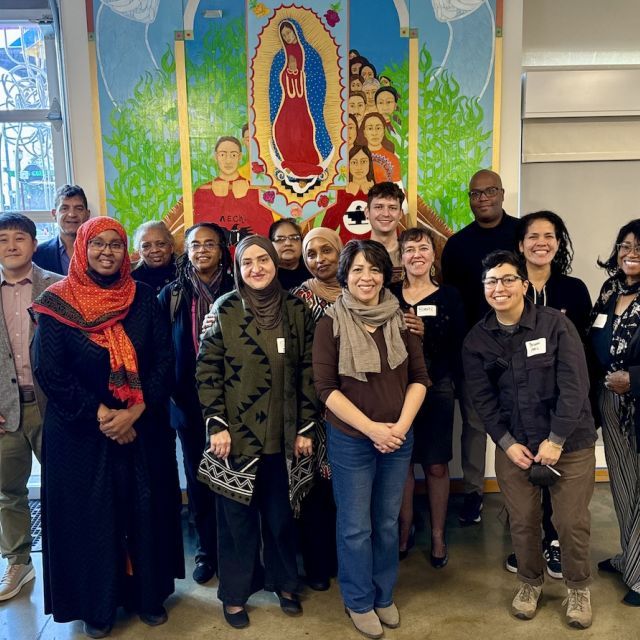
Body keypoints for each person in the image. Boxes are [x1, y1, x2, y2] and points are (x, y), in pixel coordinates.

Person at [32, 217, 184, 638]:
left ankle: (148, 596)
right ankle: (95, 606)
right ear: (81, 247)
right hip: (80, 432)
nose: (106, 251)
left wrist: (134, 412)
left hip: (141, 427)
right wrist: (102, 414)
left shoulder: (143, 297)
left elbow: (163, 361)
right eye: (97, 243)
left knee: (144, 510)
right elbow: (51, 371)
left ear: (125, 251)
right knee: (91, 519)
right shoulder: (56, 302)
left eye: (115, 243)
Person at [463, 250, 596, 629]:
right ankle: (529, 582)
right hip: (515, 445)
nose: (499, 287)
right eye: (491, 281)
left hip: (569, 442)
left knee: (570, 521)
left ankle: (578, 587)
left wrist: (555, 440)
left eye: (508, 279)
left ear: (524, 284)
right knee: (522, 520)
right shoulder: (477, 340)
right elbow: (483, 402)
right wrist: (506, 443)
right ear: (484, 288)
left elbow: (575, 386)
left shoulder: (555, 326)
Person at [196, 235, 319, 630]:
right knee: (237, 522)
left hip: (285, 438)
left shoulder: (298, 310)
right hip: (234, 439)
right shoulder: (225, 309)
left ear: (275, 263)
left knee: (281, 519)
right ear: (238, 268)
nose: (256, 268)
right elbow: (207, 371)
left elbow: (309, 373)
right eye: (247, 262)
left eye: (262, 260)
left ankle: (285, 584)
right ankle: (235, 595)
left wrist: (305, 426)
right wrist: (216, 424)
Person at [313, 239, 429, 639]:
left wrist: (399, 427)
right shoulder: (330, 323)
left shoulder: (402, 318)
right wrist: (372, 429)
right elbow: (326, 389)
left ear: (385, 275)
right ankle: (359, 600)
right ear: (345, 275)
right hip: (351, 439)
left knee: (385, 522)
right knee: (354, 526)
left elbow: (419, 379)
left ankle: (383, 595)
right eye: (358, 270)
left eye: (375, 269)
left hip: (398, 438)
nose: (367, 277)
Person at [505, 210, 593, 577]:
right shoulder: (506, 285)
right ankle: (532, 546)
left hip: (563, 404)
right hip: (522, 402)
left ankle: (557, 542)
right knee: (526, 475)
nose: (541, 243)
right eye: (533, 236)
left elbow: (585, 350)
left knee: (560, 476)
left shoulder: (573, 289)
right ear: (520, 244)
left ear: (558, 243)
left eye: (549, 236)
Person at [440, 169, 518, 525]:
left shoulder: (521, 233)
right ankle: (472, 492)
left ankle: (519, 495)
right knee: (474, 424)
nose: (483, 198)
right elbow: (451, 304)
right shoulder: (457, 246)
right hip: (473, 351)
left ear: (502, 193)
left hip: (520, 347)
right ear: (469, 199)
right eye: (476, 193)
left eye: (490, 191)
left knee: (520, 421)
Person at [158, 222, 234, 586]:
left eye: (209, 244)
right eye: (194, 245)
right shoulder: (172, 295)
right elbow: (160, 351)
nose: (202, 250)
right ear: (185, 251)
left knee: (238, 479)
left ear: (222, 250)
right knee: (199, 478)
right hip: (188, 404)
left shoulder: (241, 289)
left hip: (239, 404)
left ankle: (238, 551)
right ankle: (207, 550)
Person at [393, 227, 465, 567]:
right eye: (410, 249)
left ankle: (438, 534)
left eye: (423, 248)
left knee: (436, 464)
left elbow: (460, 345)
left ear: (433, 255)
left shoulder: (449, 296)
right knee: (402, 463)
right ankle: (404, 528)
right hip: (395, 392)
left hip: (437, 388)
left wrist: (428, 333)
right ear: (401, 256)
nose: (416, 255)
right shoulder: (389, 294)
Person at [0, 213, 62, 602]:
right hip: (5, 411)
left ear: (35, 244)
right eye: (2, 238)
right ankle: (18, 562)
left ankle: (67, 556)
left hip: (52, 407)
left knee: (64, 485)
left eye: (19, 238)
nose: (10, 245)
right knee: (8, 491)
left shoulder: (57, 288)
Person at [589, 219, 640, 607]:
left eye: (639, 247)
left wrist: (634, 379)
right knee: (623, 488)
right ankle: (629, 556)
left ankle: (639, 577)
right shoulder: (610, 290)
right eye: (624, 245)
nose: (630, 253)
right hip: (611, 402)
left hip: (637, 398)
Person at [290, 228, 343, 590]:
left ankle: (347, 560)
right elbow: (293, 359)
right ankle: (318, 565)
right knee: (315, 489)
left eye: (327, 250)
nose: (320, 258)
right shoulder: (298, 298)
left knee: (349, 491)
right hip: (313, 407)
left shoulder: (361, 289)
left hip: (356, 407)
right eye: (312, 253)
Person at [191, 136, 274, 240]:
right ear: (215, 156)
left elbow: (265, 231)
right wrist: (217, 200)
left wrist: (245, 199)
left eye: (233, 155)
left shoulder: (255, 190)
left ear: (240, 157)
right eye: (222, 154)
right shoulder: (202, 192)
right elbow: (200, 231)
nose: (228, 160)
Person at [33, 184, 91, 275]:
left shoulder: (100, 251)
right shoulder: (38, 254)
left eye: (78, 209)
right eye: (64, 208)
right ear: (54, 214)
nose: (72, 214)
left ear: (87, 214)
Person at [322, 145, 375, 244]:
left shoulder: (378, 193)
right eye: (354, 162)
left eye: (363, 161)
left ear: (369, 164)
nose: (359, 167)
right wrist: (347, 196)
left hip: (374, 251)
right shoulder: (341, 193)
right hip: (346, 251)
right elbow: (327, 228)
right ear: (348, 165)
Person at [365, 181, 404, 282]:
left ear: (400, 214)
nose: (386, 214)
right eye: (378, 207)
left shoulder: (412, 254)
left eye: (392, 208)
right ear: (367, 212)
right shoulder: (354, 255)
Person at [130, 220, 176, 293]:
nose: (154, 250)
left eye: (161, 244)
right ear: (140, 252)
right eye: (146, 246)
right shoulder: (132, 281)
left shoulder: (186, 273)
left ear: (171, 247)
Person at [357, 112, 401, 183]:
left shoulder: (393, 159)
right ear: (364, 132)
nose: (374, 133)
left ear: (384, 131)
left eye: (378, 128)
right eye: (370, 128)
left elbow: (397, 188)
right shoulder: (356, 157)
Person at [269, 219, 310, 289]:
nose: (288, 243)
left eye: (294, 238)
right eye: (280, 239)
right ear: (270, 244)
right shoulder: (265, 277)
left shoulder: (315, 271)